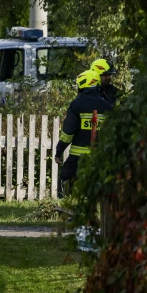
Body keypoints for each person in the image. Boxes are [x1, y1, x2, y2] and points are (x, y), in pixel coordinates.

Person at [57, 68, 113, 197]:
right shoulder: (107, 106)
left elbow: (68, 132)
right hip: (100, 157)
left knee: (66, 177)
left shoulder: (77, 105)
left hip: (78, 157)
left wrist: (59, 151)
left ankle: (65, 206)